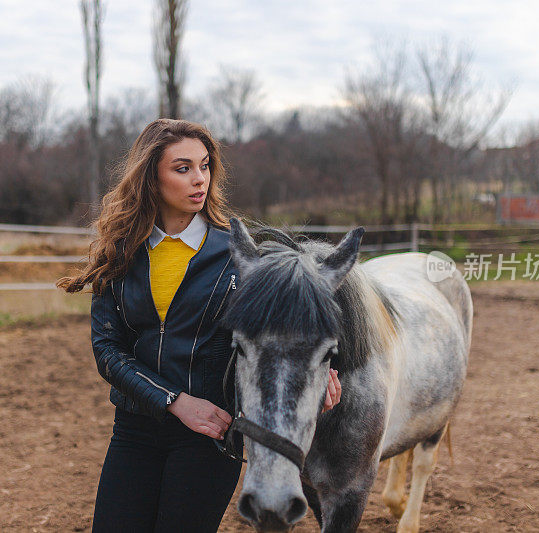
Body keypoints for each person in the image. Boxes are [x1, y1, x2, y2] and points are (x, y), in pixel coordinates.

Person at [57, 118, 341, 533]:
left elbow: (287, 339)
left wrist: (324, 382)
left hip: (210, 438)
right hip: (134, 430)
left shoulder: (242, 257)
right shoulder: (119, 253)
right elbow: (107, 350)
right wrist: (175, 400)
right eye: (183, 168)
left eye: (205, 166)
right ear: (151, 178)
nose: (199, 179)